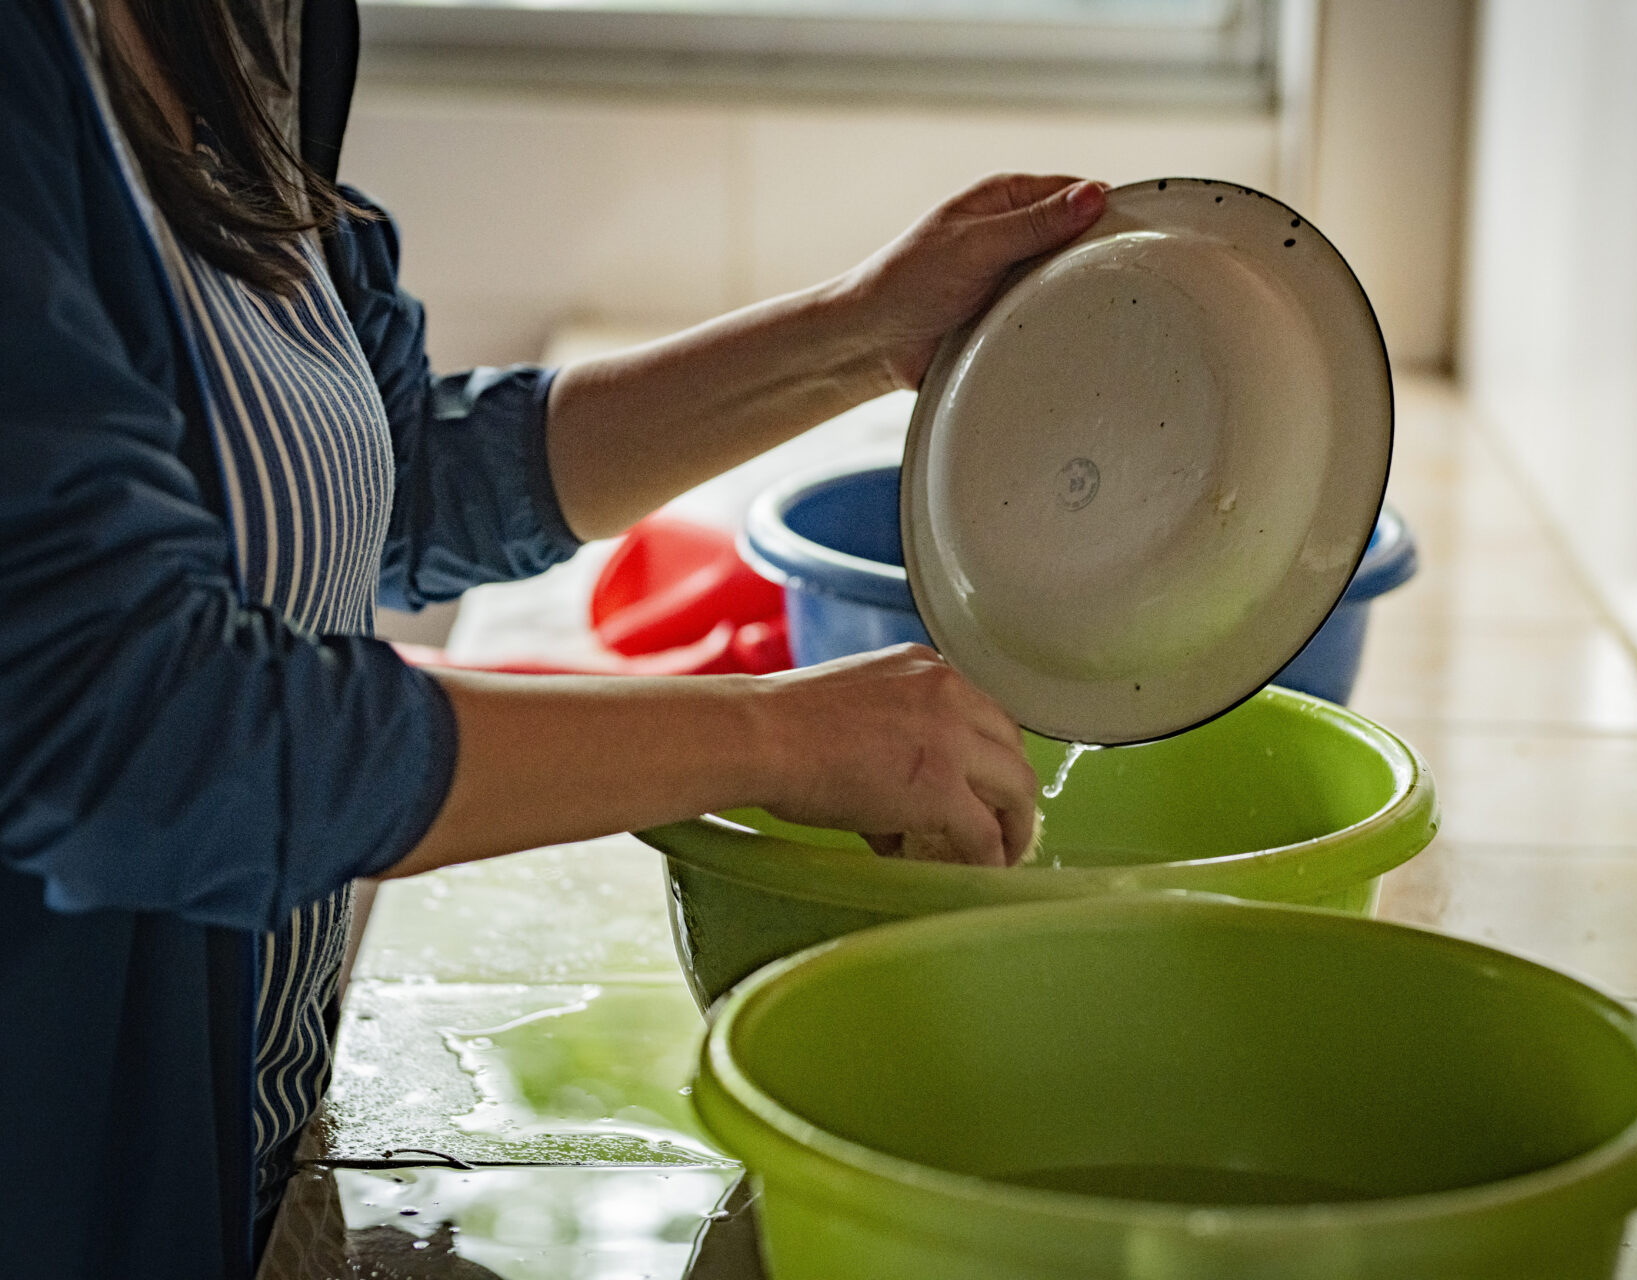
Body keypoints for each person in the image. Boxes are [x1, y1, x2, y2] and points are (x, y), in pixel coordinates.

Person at [0, 1, 1107, 1275]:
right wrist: (779, 733)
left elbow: (378, 472)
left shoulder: (251, 22)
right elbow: (144, 729)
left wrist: (862, 333)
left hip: (241, 1156)